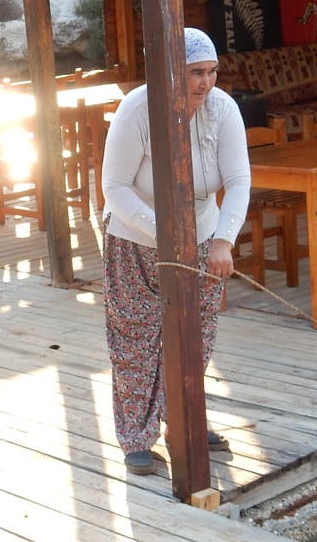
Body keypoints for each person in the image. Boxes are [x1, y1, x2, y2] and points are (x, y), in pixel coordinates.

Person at [100, 27, 251, 476]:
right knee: (137, 338)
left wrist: (223, 240)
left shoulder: (223, 109)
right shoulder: (137, 109)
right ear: (171, 71)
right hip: (136, 239)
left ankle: (183, 420)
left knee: (195, 335)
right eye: (195, 72)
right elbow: (114, 187)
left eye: (212, 71)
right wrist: (165, 236)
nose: (206, 82)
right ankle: (136, 437)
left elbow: (238, 180)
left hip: (202, 236)